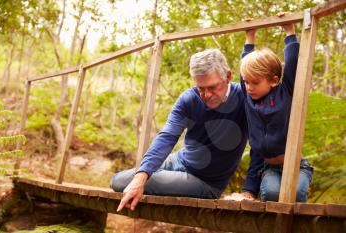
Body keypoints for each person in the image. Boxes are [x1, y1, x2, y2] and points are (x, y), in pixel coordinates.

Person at [110, 48, 263, 211]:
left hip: (204, 182)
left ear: (228, 76)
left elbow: (260, 146)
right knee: (119, 180)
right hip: (179, 160)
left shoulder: (246, 99)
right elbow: (166, 137)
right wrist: (141, 178)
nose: (206, 95)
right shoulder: (188, 99)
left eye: (212, 87)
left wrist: (249, 192)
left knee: (123, 182)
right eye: (201, 88)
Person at [239, 19, 313, 202]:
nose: (249, 87)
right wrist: (250, 36)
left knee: (295, 194)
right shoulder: (248, 97)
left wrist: (290, 32)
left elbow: (293, 64)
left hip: (296, 165)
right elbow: (245, 65)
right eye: (246, 82)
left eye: (255, 82)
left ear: (273, 80)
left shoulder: (285, 91)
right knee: (271, 194)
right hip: (268, 167)